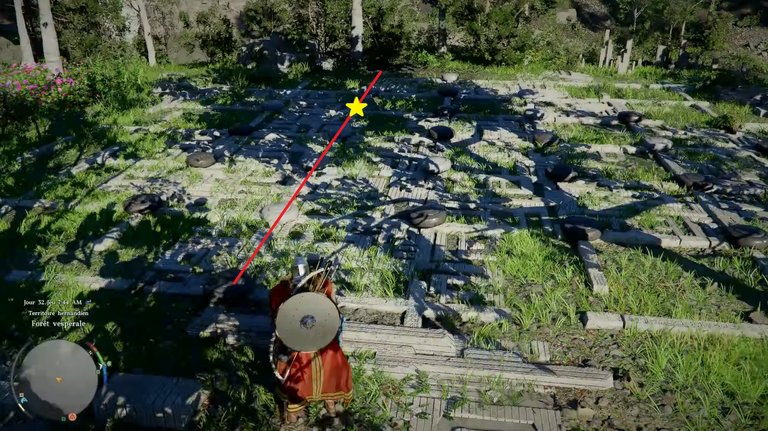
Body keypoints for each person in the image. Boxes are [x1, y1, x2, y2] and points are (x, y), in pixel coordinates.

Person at [269, 268, 353, 424]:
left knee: (333, 363)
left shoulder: (322, 287)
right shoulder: (281, 291)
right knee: (295, 373)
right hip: (295, 340)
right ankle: (295, 409)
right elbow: (278, 319)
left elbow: (330, 314)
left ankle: (329, 400)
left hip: (321, 337)